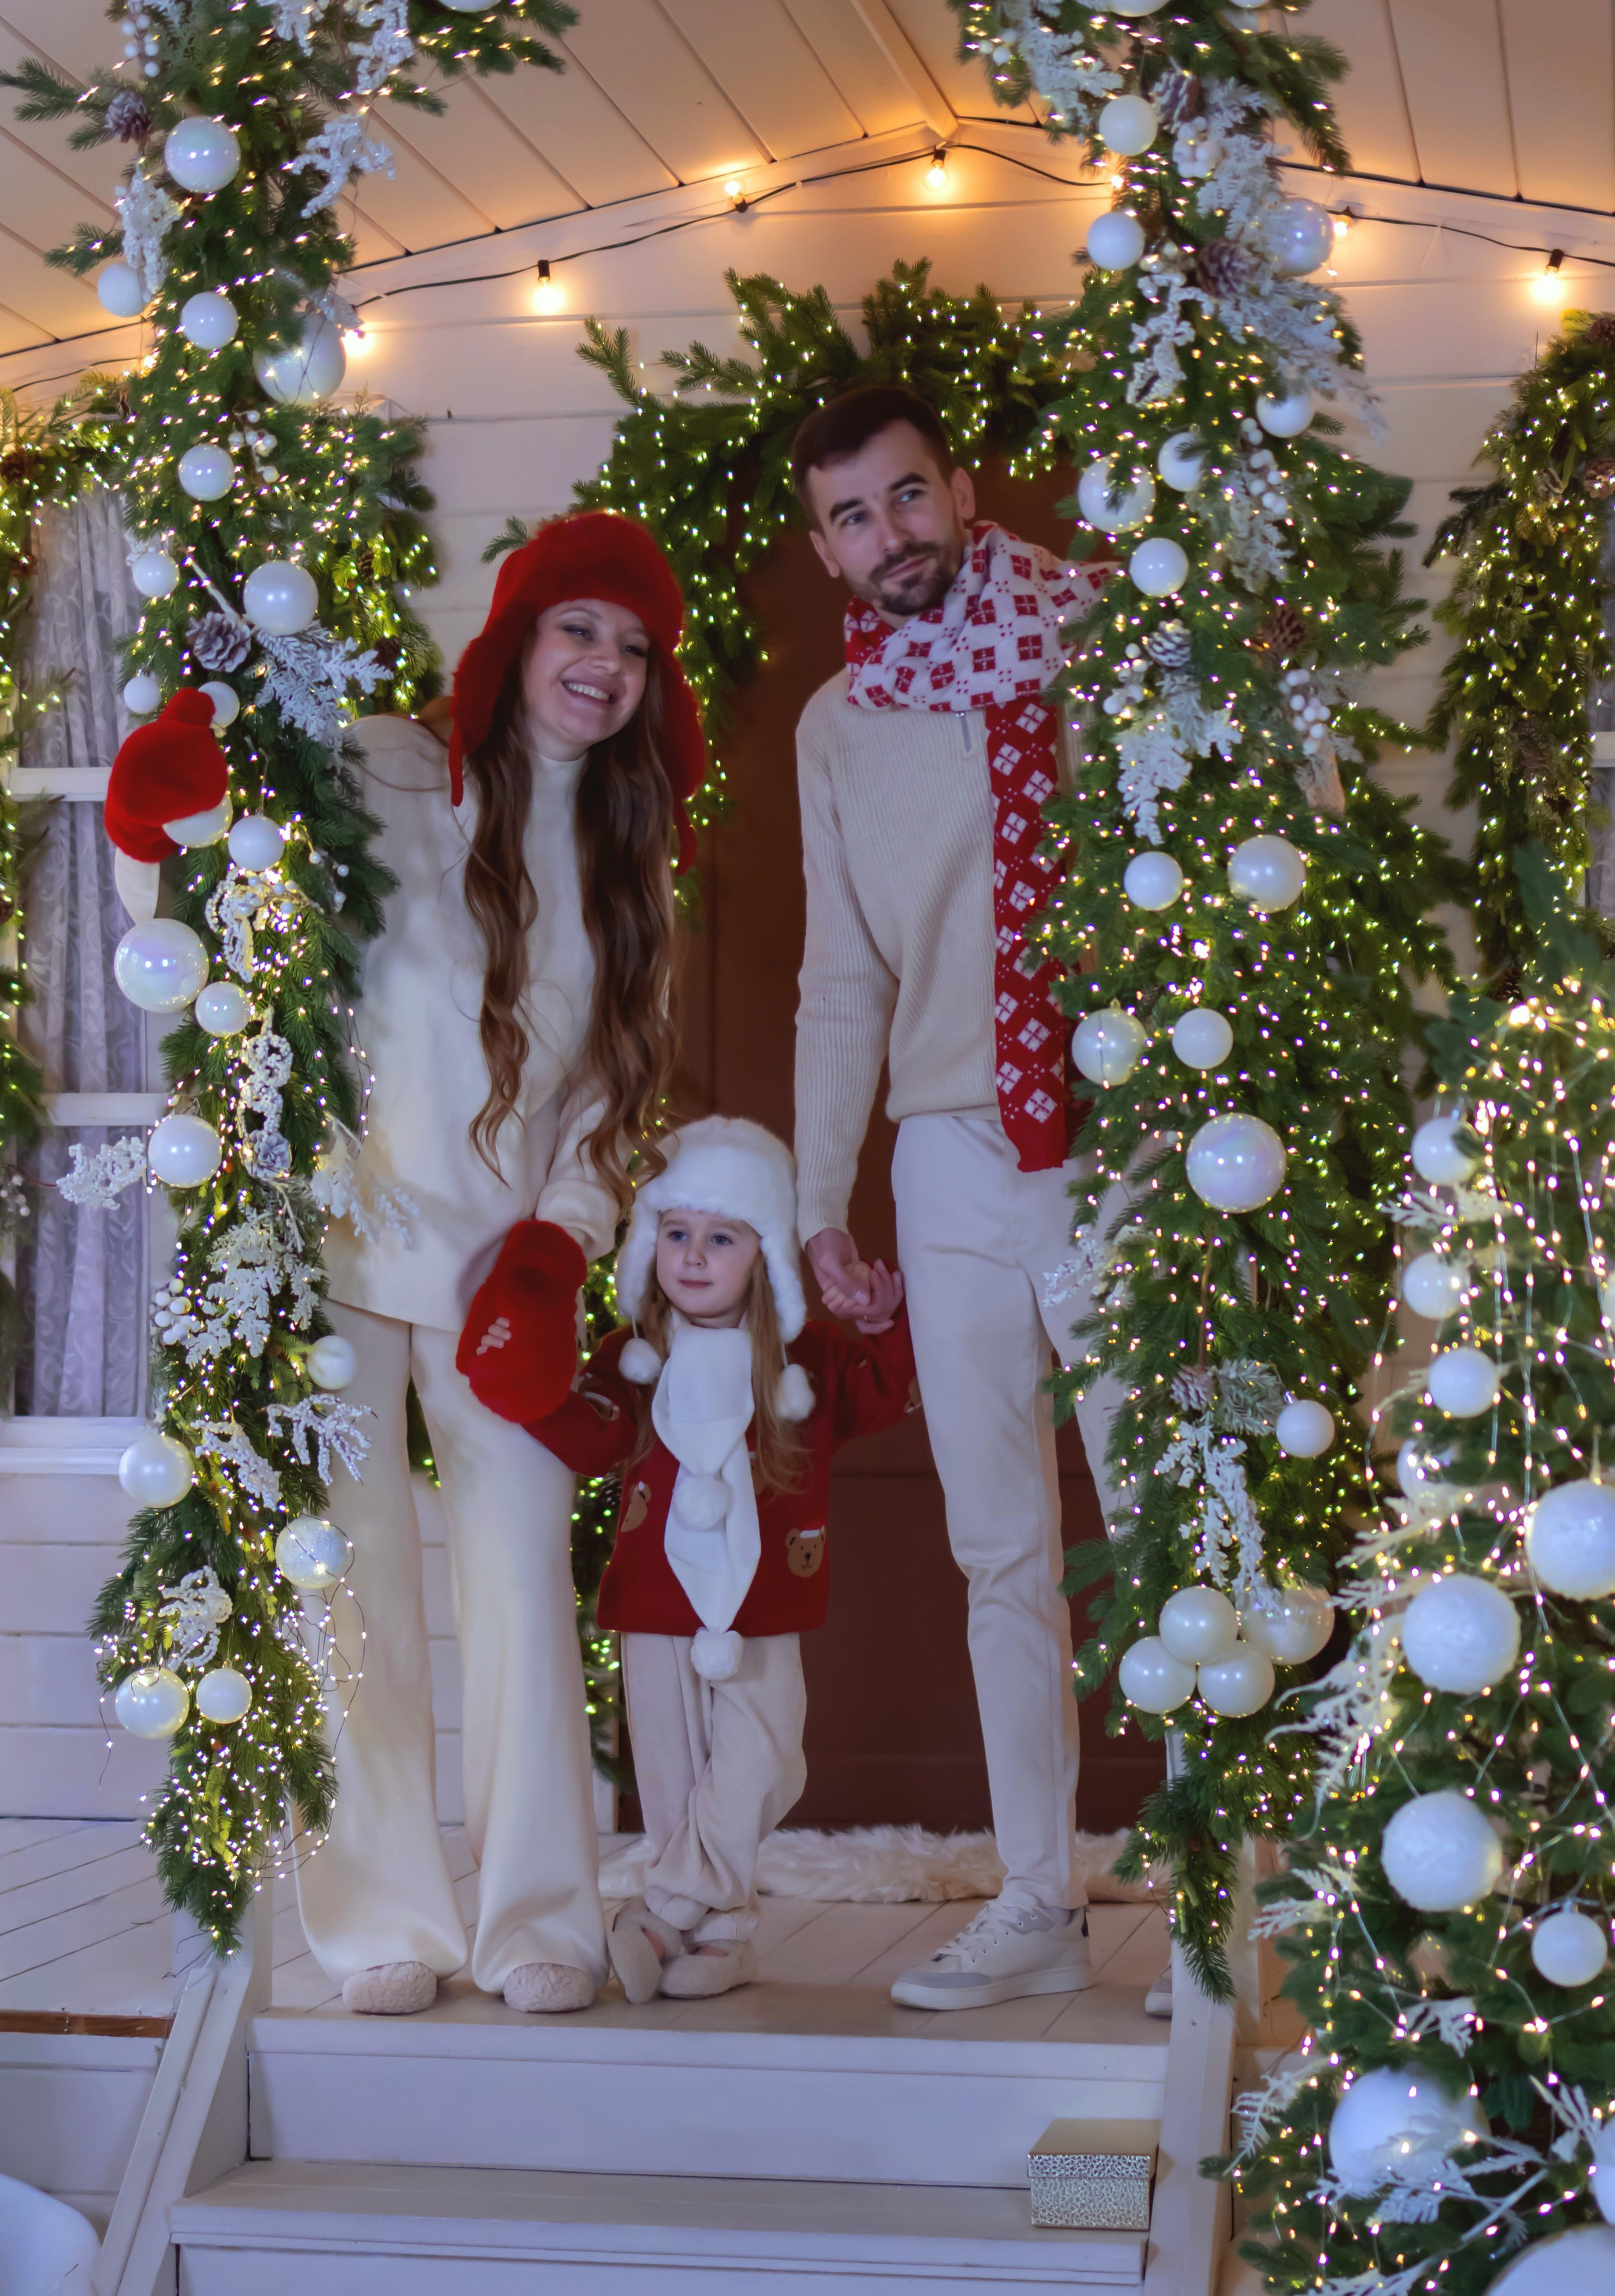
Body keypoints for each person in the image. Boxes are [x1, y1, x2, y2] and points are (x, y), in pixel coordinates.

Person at [297, 512, 703, 2017]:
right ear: (517, 637)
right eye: (577, 629)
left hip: (500, 1280)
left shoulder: (627, 851)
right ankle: (379, 1922)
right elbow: (227, 929)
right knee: (351, 1594)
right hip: (336, 1245)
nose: (604, 665)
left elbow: (608, 1104)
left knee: (526, 1582)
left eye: (632, 647)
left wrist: (556, 1247)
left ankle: (539, 1918)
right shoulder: (376, 772)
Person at [789, 383, 1126, 2011]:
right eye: (851, 517)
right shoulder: (836, 726)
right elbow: (839, 976)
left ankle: (1221, 1901)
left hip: (1125, 1142)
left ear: (960, 489)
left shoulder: (1100, 638)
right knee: (999, 1543)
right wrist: (818, 1196)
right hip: (946, 1147)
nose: (888, 536)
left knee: (1174, 1515)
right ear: (825, 548)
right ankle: (1037, 1901)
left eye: (906, 496)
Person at [466, 1118, 915, 2003]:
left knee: (764, 1761)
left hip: (763, 1609)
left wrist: (885, 1322)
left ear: (765, 1253)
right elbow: (592, 1436)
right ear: (650, 1246)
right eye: (676, 1234)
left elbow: (885, 1389)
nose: (694, 1256)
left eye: (721, 1238)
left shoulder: (810, 1361)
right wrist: (525, 1386)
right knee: (674, 1787)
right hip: (655, 1609)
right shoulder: (633, 1360)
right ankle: (721, 1934)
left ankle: (660, 1911)